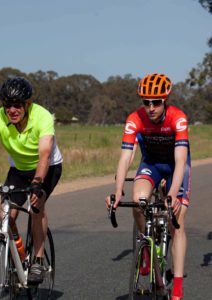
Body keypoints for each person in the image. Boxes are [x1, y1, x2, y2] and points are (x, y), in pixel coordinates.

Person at [0, 76, 63, 284]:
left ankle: (37, 260)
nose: (12, 110)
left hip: (47, 167)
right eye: (8, 105)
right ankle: (19, 251)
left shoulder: (42, 117)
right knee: (6, 213)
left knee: (37, 205)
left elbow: (44, 154)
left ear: (28, 104)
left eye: (17, 105)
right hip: (19, 169)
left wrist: (37, 184)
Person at [106, 73, 190, 300]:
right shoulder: (135, 119)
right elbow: (125, 158)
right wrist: (116, 190)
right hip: (151, 164)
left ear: (165, 100)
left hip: (175, 167)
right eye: (146, 102)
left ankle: (178, 286)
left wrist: (172, 195)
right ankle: (145, 247)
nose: (151, 107)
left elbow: (181, 160)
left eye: (156, 102)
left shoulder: (177, 118)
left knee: (177, 221)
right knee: (138, 201)